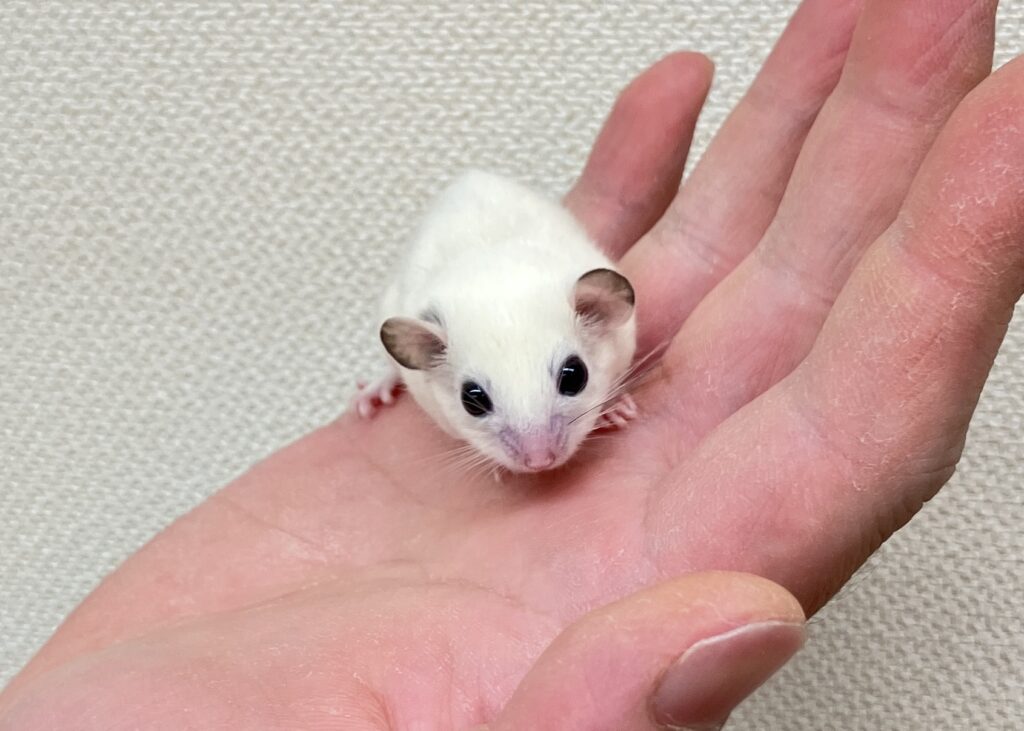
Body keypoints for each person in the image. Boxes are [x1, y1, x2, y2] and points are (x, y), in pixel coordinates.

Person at [0, 0, 1018, 727]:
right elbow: (409, 319)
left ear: (602, 319)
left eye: (571, 383)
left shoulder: (593, 292)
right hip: (453, 271)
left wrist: (601, 397)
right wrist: (425, 379)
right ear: (428, 367)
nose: (537, 450)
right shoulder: (424, 335)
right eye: (482, 404)